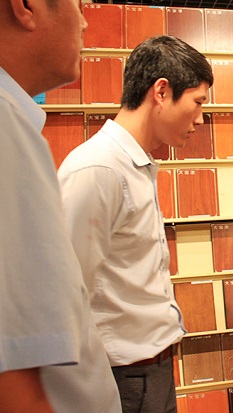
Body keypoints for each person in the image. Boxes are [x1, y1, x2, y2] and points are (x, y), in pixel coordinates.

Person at [57, 35, 213, 413]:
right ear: (161, 91)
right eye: (197, 102)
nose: (200, 118)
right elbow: (64, 293)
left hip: (148, 371)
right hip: (123, 377)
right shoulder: (99, 169)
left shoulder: (133, 164)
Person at [0, 0, 121, 412]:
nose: (85, 21)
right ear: (27, 6)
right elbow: (15, 380)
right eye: (78, 4)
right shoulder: (7, 128)